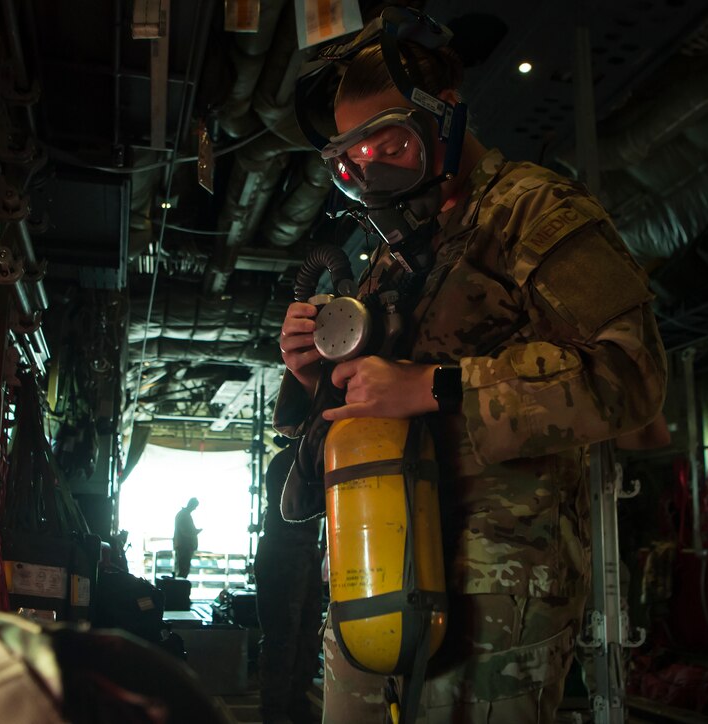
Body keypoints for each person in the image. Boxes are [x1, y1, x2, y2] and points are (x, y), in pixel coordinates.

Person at [275, 9, 667, 723]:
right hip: (378, 570)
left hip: (495, 591)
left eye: (388, 142)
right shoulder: (395, 254)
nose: (374, 170)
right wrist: (316, 379)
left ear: (443, 118)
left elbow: (628, 374)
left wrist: (435, 387)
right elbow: (368, 405)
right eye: (351, 162)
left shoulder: (532, 211)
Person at [254, 441, 324, 724]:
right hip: (283, 551)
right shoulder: (289, 463)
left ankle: (294, 704)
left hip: (303, 551)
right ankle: (275, 711)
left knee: (307, 636)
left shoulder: (300, 460)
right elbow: (300, 506)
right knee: (282, 638)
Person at [173, 498, 202, 579]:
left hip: (182, 546)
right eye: (195, 506)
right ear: (191, 505)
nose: (195, 508)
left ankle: (179, 589)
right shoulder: (184, 515)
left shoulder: (183, 514)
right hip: (184, 546)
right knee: (183, 570)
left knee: (182, 569)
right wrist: (195, 532)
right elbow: (185, 531)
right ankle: (180, 590)